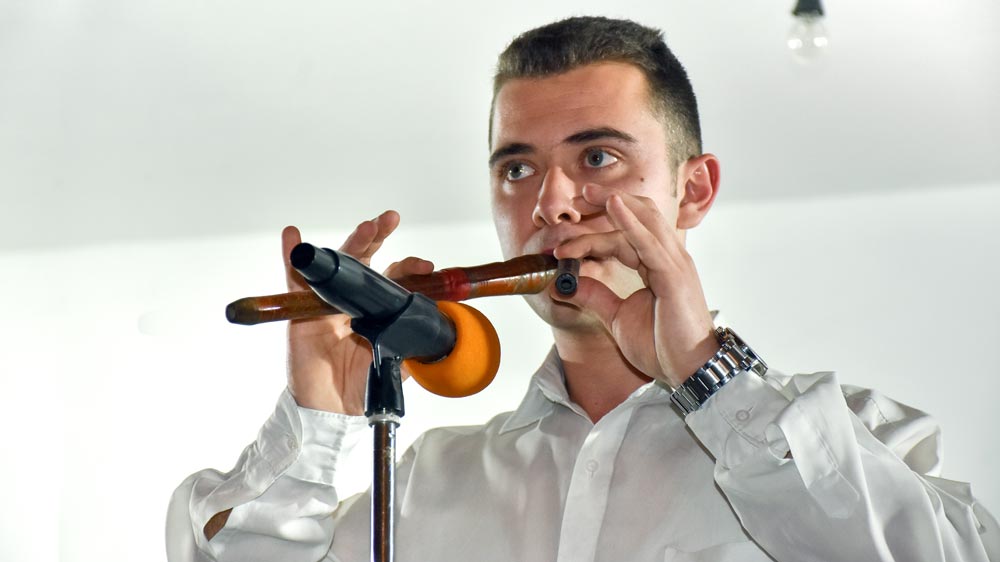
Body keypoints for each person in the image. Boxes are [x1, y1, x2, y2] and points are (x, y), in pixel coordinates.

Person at [166, 16, 999, 562]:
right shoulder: (423, 483)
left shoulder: (854, 440)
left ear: (694, 191)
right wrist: (316, 420)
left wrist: (708, 371)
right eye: (517, 169)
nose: (551, 204)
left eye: (597, 157)